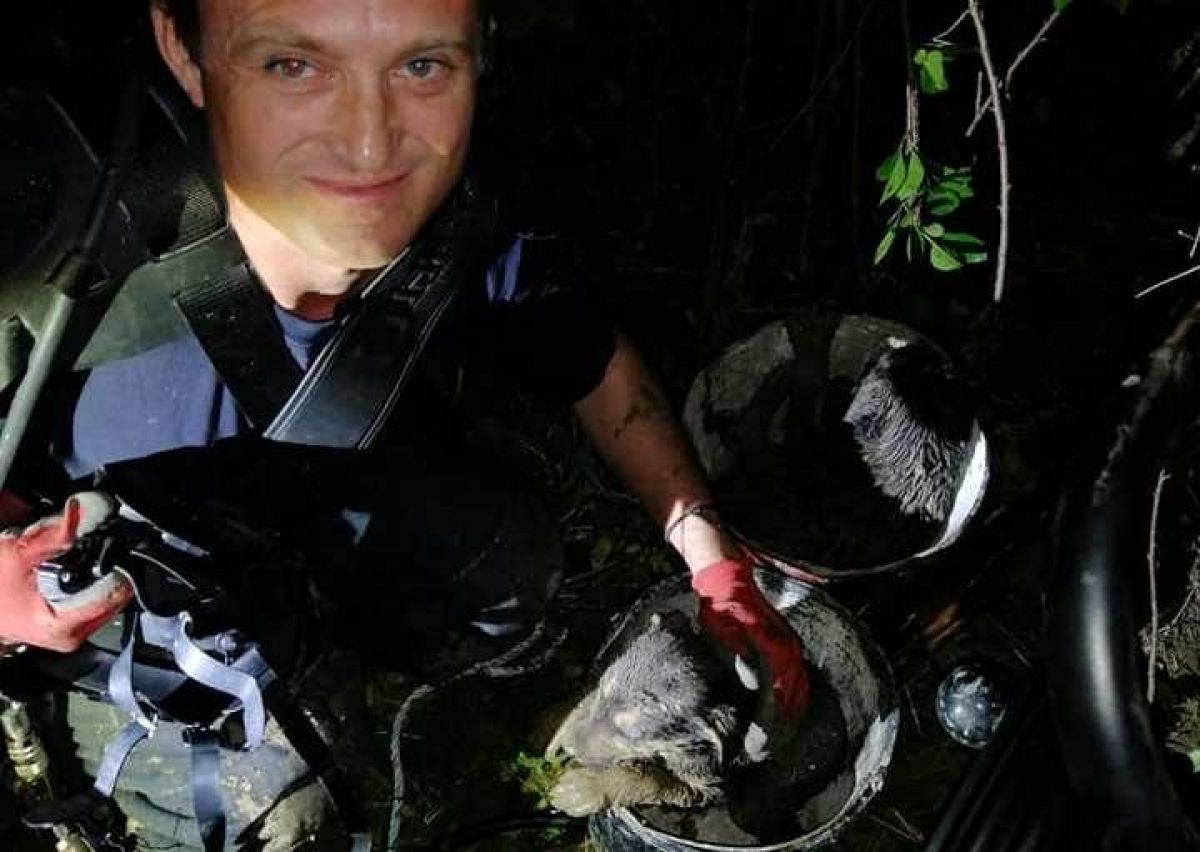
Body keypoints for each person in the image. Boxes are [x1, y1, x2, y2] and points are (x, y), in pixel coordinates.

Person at [0, 0, 811, 847]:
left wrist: (715, 566)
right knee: (282, 817)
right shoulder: (41, 210)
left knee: (506, 571)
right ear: (183, 46)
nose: (367, 142)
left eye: (421, 66)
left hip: (315, 485)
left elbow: (599, 369)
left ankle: (332, 652)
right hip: (132, 578)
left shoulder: (464, 224)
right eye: (293, 65)